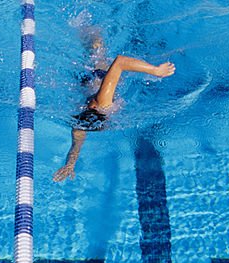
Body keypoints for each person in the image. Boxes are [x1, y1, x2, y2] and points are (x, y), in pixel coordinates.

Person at [53, 28, 175, 182]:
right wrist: (70, 165)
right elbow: (76, 146)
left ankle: (84, 23)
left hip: (98, 72)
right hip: (86, 80)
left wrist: (156, 71)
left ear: (94, 109)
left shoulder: (103, 102)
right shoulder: (80, 124)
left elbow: (120, 61)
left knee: (96, 46)